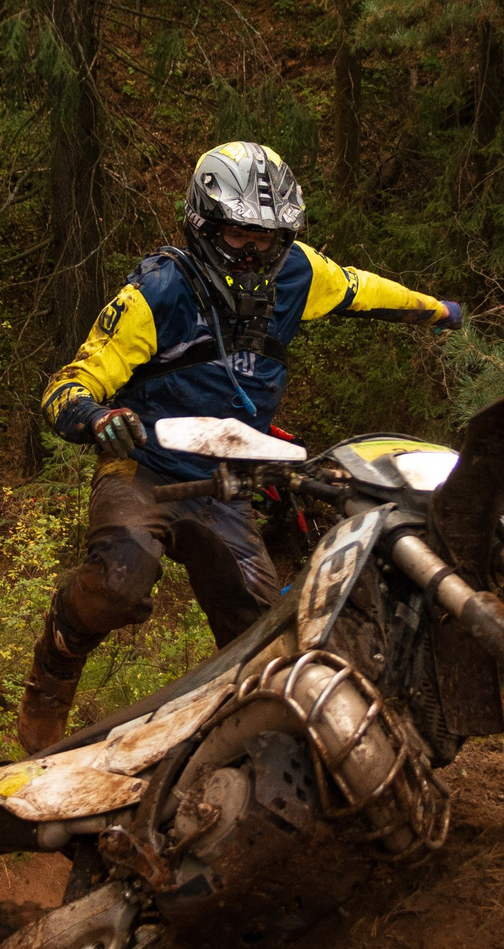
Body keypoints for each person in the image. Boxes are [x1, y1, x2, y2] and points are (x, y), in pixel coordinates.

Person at [23, 141, 462, 751]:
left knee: (265, 637)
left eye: (269, 236)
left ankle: (243, 753)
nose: (256, 250)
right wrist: (96, 419)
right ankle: (54, 671)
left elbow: (363, 290)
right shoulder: (160, 289)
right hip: (143, 466)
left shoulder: (299, 273)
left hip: (226, 481)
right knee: (120, 581)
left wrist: (435, 309)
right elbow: (69, 383)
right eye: (239, 233)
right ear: (203, 223)